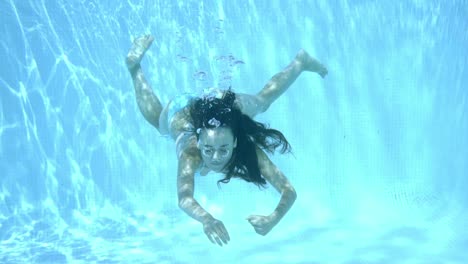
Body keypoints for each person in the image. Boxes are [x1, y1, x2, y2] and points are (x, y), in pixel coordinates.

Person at [126, 35, 327, 247]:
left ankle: (300, 61)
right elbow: (184, 198)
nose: (215, 158)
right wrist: (207, 219)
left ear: (235, 143)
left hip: (222, 104)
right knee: (160, 123)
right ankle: (134, 69)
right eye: (208, 150)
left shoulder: (247, 148)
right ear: (199, 142)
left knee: (262, 102)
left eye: (223, 150)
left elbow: (289, 191)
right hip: (180, 110)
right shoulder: (190, 154)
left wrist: (273, 219)